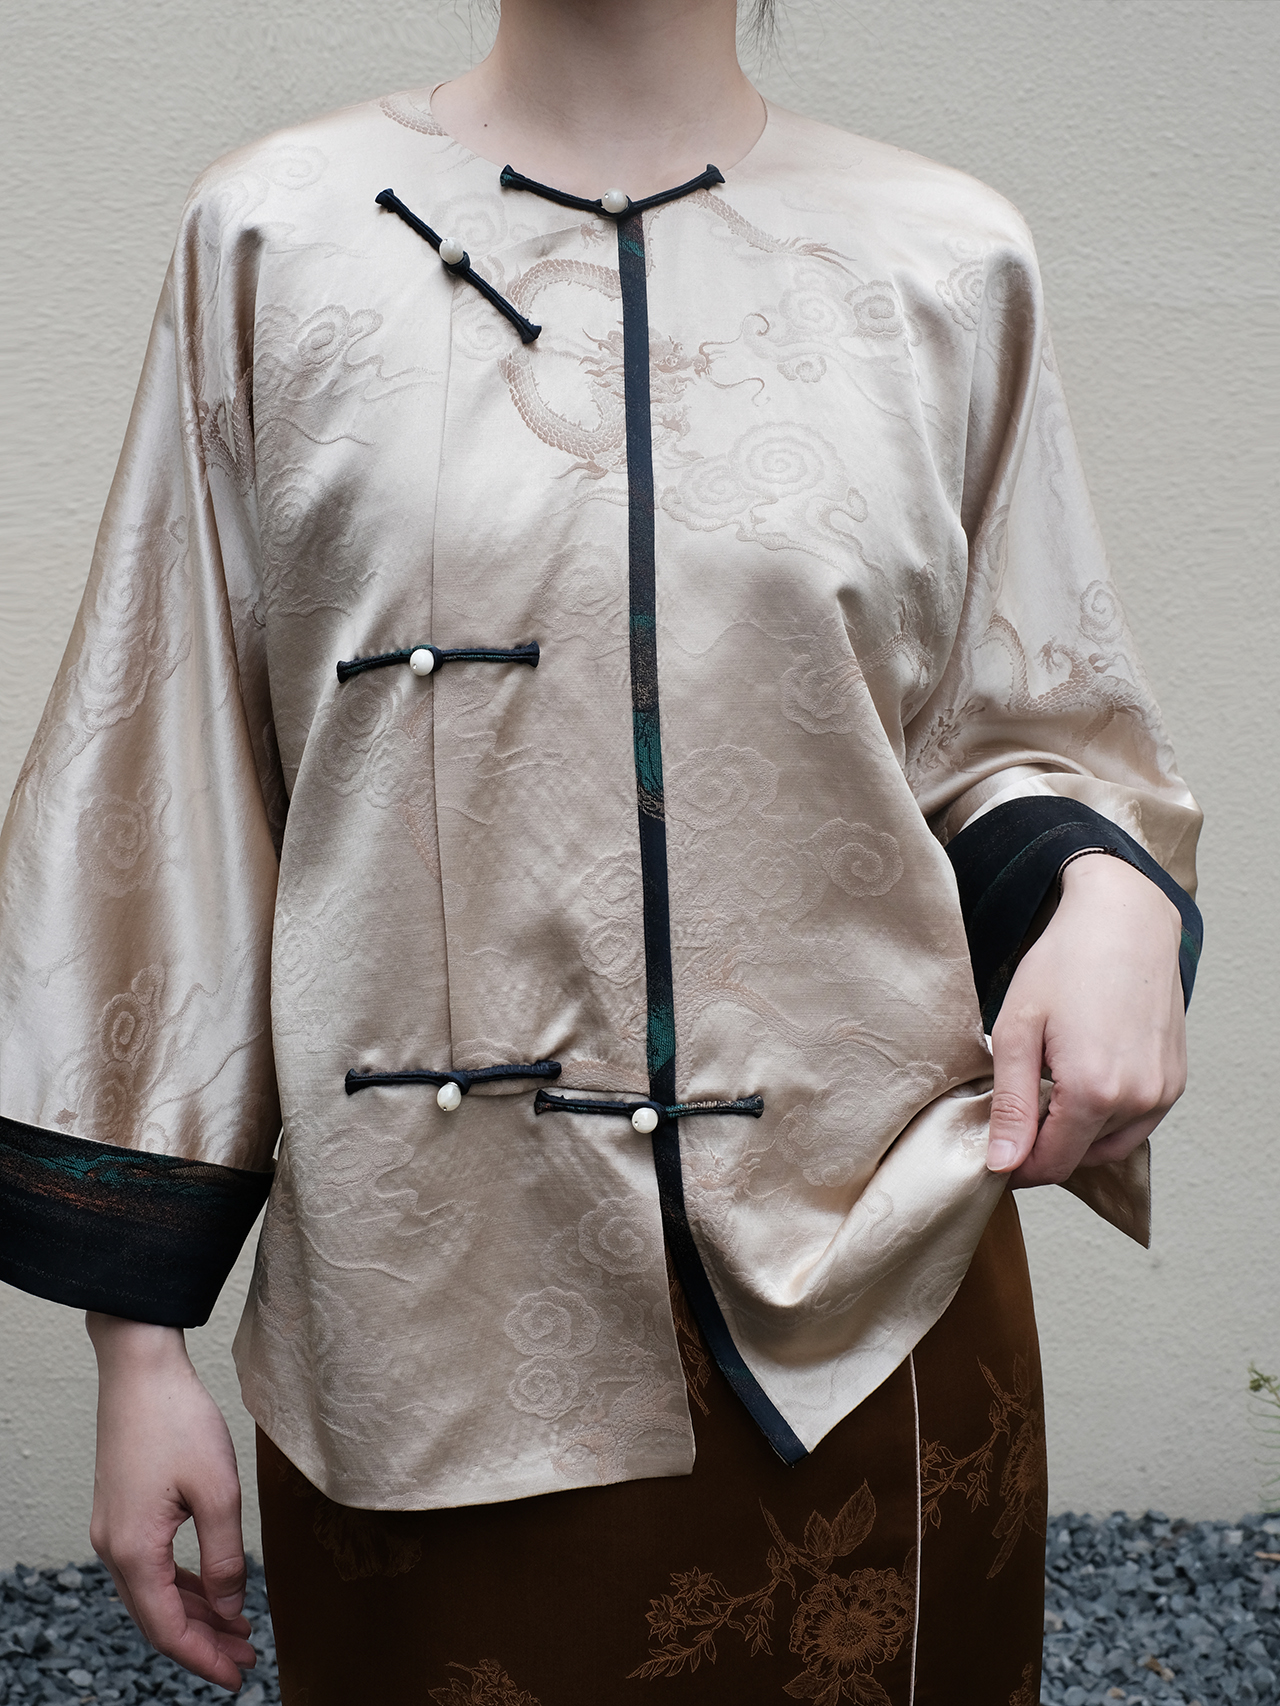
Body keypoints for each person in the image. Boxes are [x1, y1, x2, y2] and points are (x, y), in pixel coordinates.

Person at [0, 1, 1201, 1700]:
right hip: (429, 1319)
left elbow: (1022, 726)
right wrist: (137, 1345)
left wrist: (1109, 891)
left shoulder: (945, 260)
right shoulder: (269, 239)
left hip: (870, 1300)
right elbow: (164, 778)